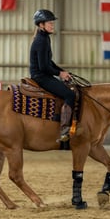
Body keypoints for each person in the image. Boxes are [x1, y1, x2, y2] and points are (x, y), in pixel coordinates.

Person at [30, 9, 76, 142]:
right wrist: (59, 73)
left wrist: (62, 71)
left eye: (52, 23)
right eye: (49, 23)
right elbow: (44, 67)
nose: (52, 25)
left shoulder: (44, 38)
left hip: (43, 74)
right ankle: (65, 130)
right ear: (41, 25)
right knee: (69, 95)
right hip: (40, 76)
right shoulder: (41, 41)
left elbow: (48, 62)